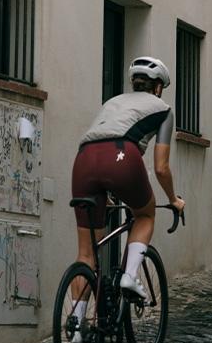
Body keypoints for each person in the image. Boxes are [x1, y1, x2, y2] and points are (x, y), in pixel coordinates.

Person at [71, 56, 185, 304]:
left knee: (86, 253)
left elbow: (101, 144)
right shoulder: (162, 109)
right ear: (158, 87)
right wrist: (173, 199)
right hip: (122, 155)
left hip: (83, 160)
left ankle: (78, 327)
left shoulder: (112, 102)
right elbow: (161, 168)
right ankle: (130, 276)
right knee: (145, 214)